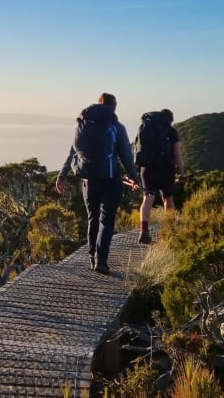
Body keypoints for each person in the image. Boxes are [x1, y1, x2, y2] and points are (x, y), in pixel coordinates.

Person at [55, 92, 141, 274]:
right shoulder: (117, 127)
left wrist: (61, 176)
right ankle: (101, 261)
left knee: (92, 219)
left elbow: (72, 152)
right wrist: (136, 179)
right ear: (113, 107)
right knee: (106, 220)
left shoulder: (83, 126)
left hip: (88, 181)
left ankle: (91, 256)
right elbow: (126, 156)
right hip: (110, 181)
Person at [136, 108, 184, 244]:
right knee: (168, 199)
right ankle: (170, 229)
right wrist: (182, 173)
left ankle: (143, 231)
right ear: (169, 119)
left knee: (147, 199)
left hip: (147, 168)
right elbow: (177, 154)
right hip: (165, 168)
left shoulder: (145, 128)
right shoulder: (171, 131)